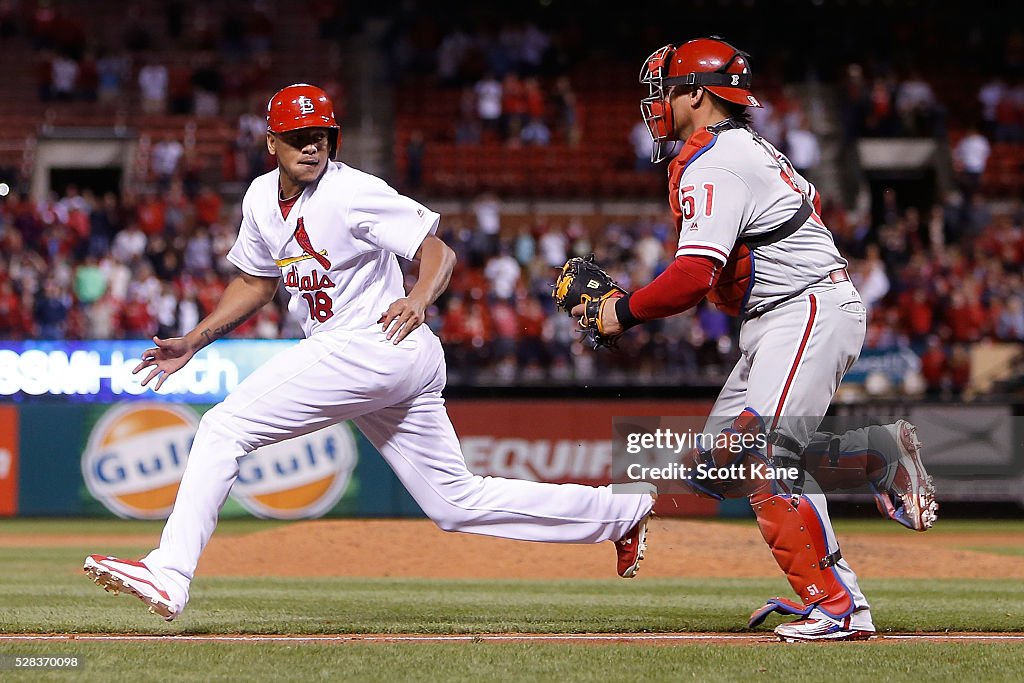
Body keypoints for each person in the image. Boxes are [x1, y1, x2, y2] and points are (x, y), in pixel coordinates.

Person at [83, 84, 655, 621]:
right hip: (375, 357)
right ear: (270, 143)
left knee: (223, 428)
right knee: (454, 503)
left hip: (376, 342)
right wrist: (194, 339)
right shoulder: (260, 197)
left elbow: (439, 252)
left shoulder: (352, 191)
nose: (313, 145)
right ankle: (619, 512)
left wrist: (419, 296)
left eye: (322, 135)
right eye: (299, 136)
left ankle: (170, 572)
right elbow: (256, 283)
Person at [574, 38, 937, 642]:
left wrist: (621, 311)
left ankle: (839, 604)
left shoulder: (715, 158)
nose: (659, 100)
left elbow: (694, 275)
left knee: (767, 459)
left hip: (803, 309)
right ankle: (871, 461)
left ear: (697, 93)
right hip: (784, 315)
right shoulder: (741, 149)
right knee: (714, 470)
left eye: (667, 87)